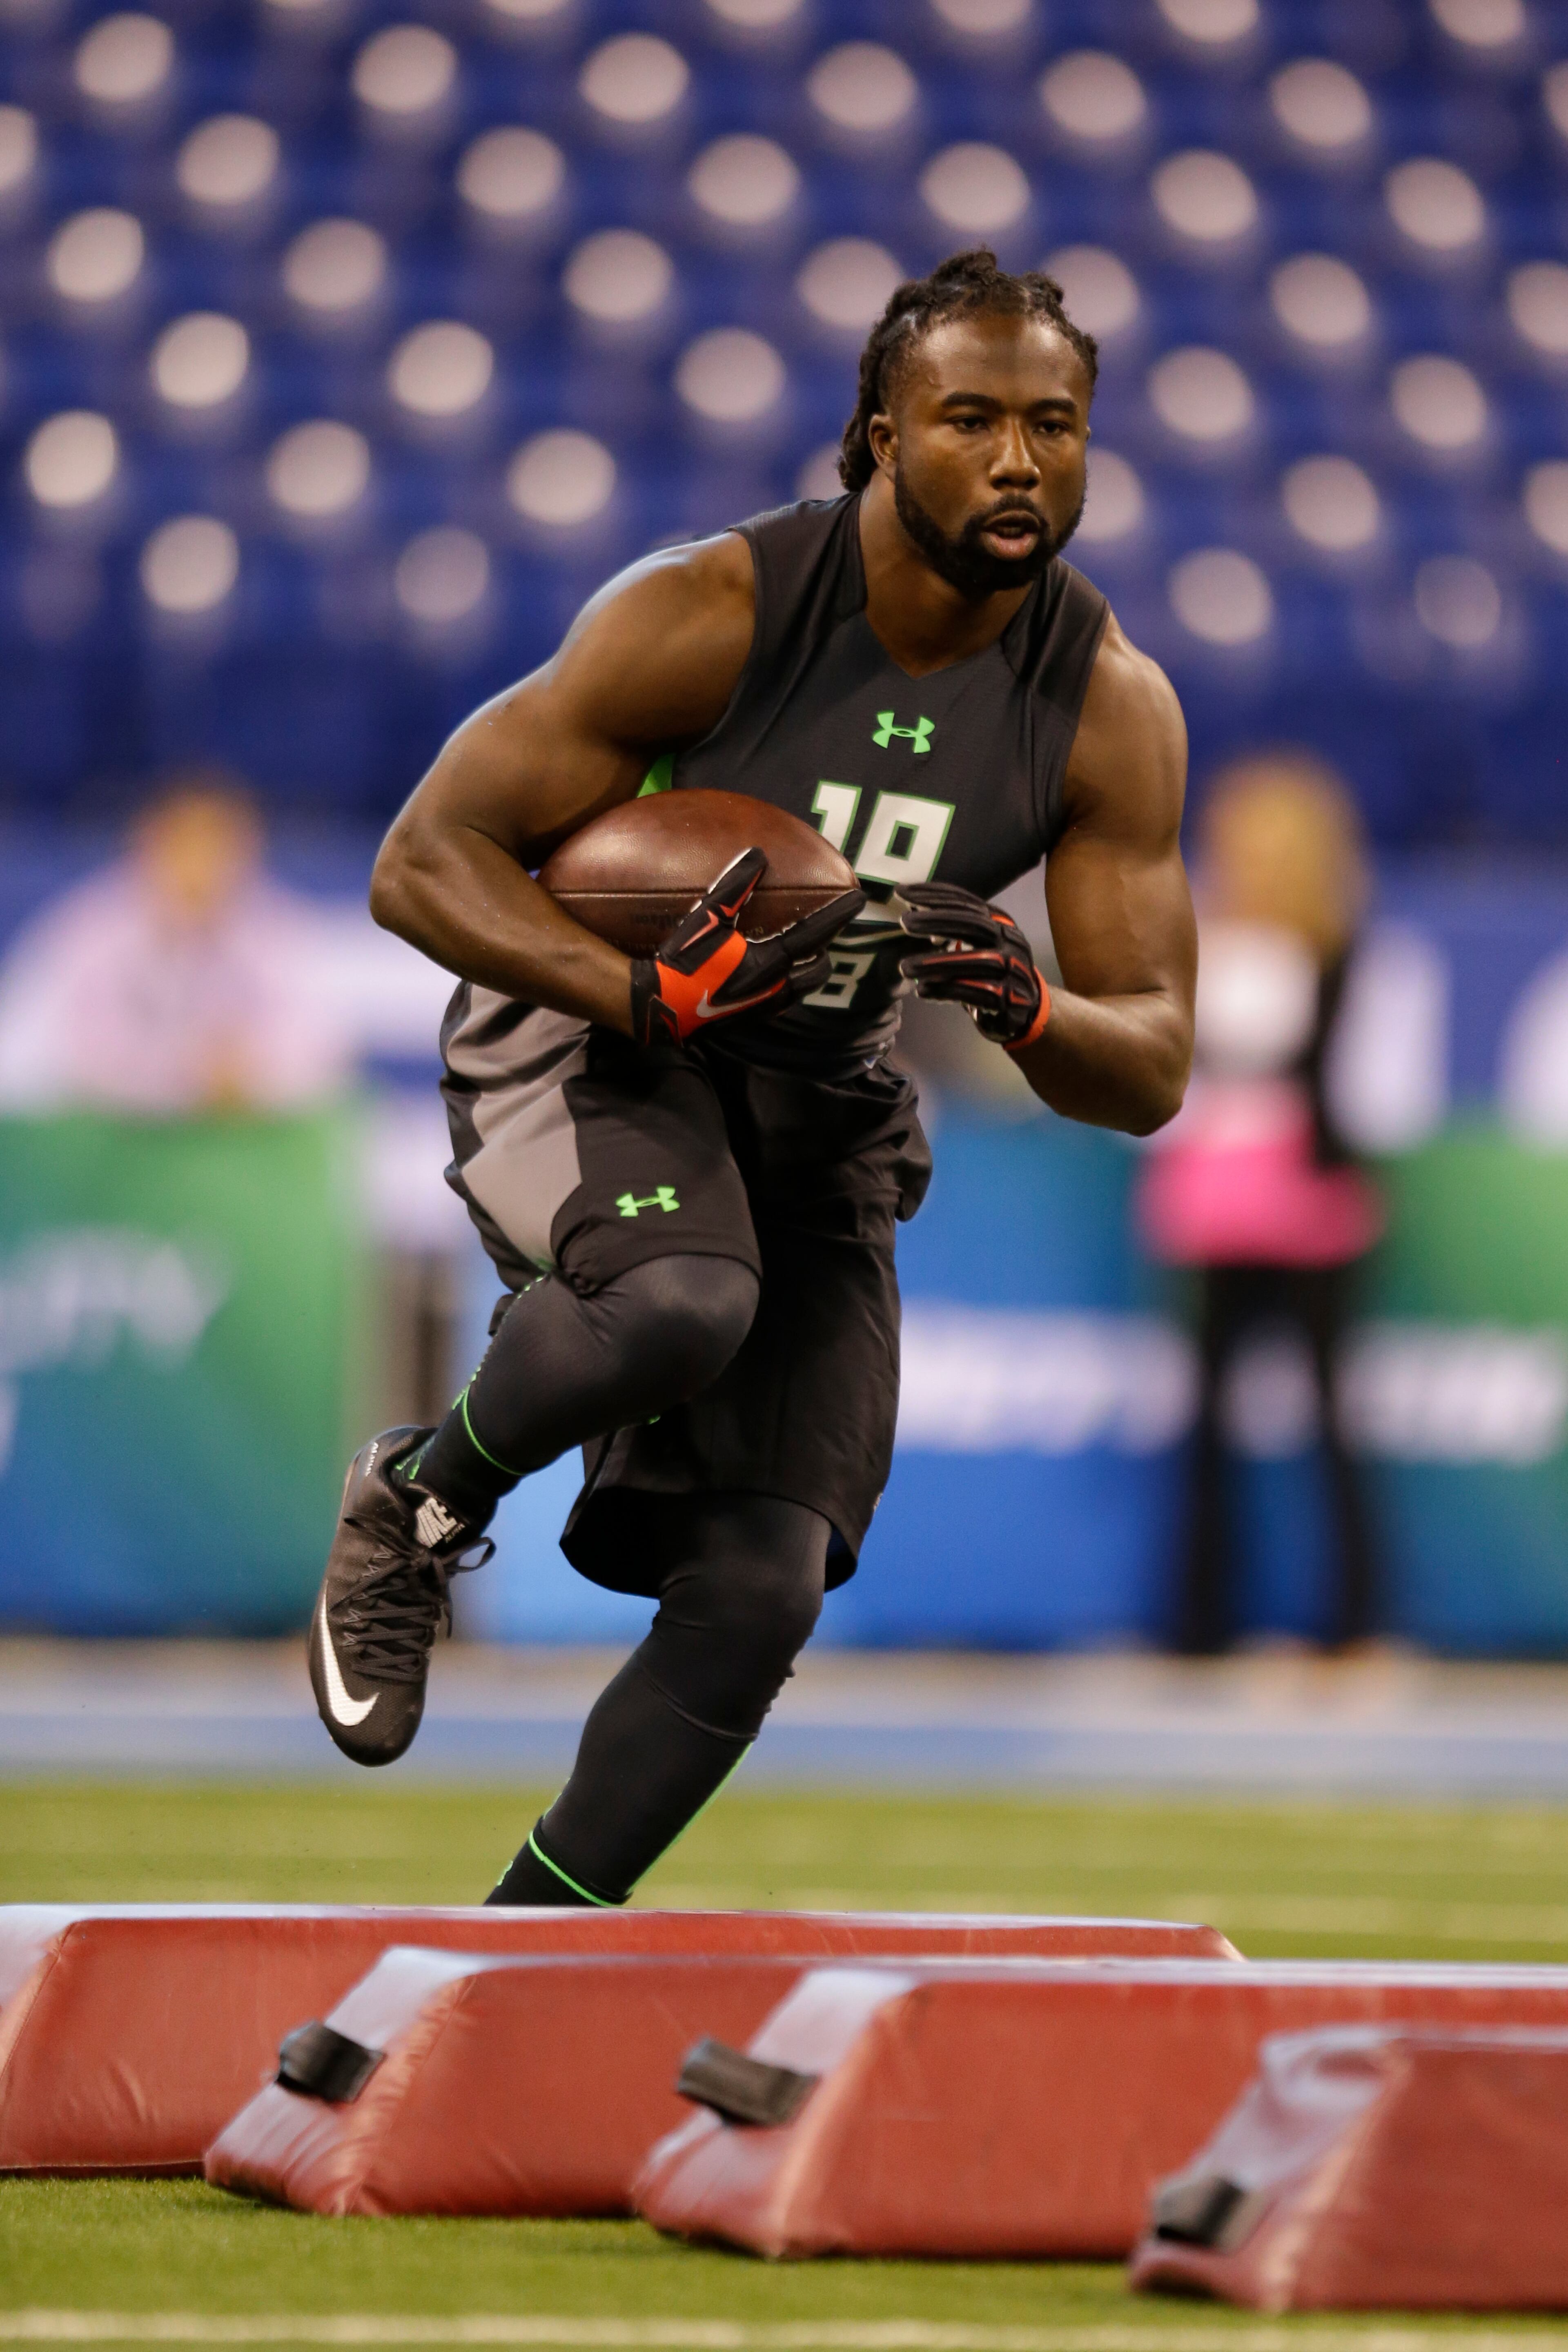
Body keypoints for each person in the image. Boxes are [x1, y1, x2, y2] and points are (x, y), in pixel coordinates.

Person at [310, 247, 1197, 1907]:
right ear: (881, 435)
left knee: (763, 1581)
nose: (1019, 459)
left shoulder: (1110, 708)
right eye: (972, 420)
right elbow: (423, 862)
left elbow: (1149, 1063)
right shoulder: (715, 609)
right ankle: (419, 1499)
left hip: (822, 1087)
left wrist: (1029, 1008)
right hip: (596, 1033)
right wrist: (639, 990)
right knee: (680, 1299)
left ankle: (504, 1971)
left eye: (1055, 424)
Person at [1137, 753, 1383, 1655]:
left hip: (1309, 1203)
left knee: (1330, 1415)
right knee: (1206, 1419)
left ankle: (1354, 1621)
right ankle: (1199, 1621)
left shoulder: (1336, 955)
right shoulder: (1196, 948)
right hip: (1214, 1202)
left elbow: (1350, 1087)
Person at [0, 775, 356, 1113]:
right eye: (187, 846)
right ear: (149, 845)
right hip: (108, 1137)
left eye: (217, 847)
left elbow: (320, 1048)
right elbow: (62, 1051)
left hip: (240, 1136)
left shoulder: (279, 930)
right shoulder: (89, 929)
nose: (201, 866)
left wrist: (251, 1072)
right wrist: (181, 1076)